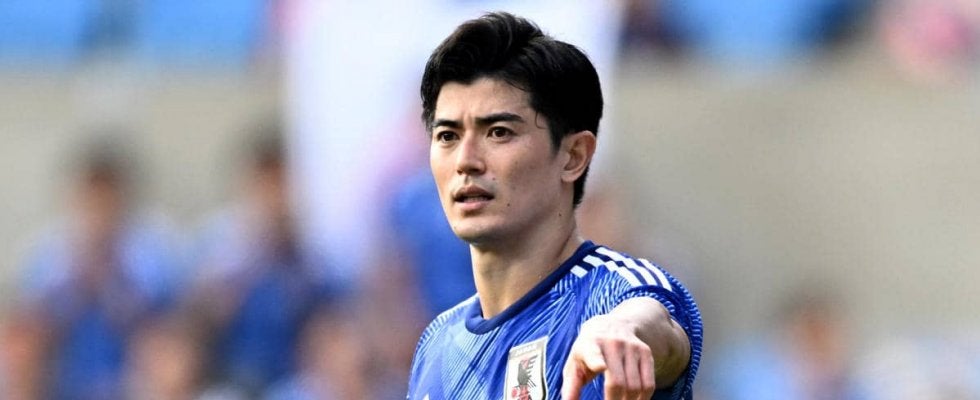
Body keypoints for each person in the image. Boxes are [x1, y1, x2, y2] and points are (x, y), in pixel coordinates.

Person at [406, 12, 702, 400]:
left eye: (499, 132)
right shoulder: (437, 346)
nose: (466, 161)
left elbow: (657, 323)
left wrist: (624, 331)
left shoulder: (612, 294)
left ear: (573, 156)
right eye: (447, 136)